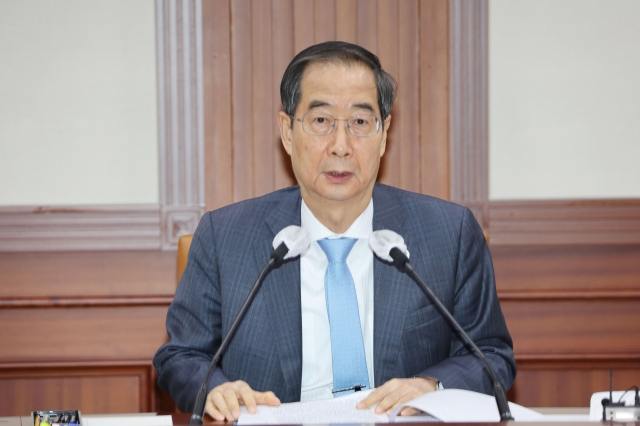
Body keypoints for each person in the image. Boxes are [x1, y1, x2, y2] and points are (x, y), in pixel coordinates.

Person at [153, 41, 516, 421]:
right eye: (321, 121)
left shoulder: (449, 233)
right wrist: (216, 389)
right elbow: (181, 355)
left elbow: (491, 355)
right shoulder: (225, 237)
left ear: (384, 132)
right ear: (287, 132)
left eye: (360, 123)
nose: (341, 147)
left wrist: (431, 386)